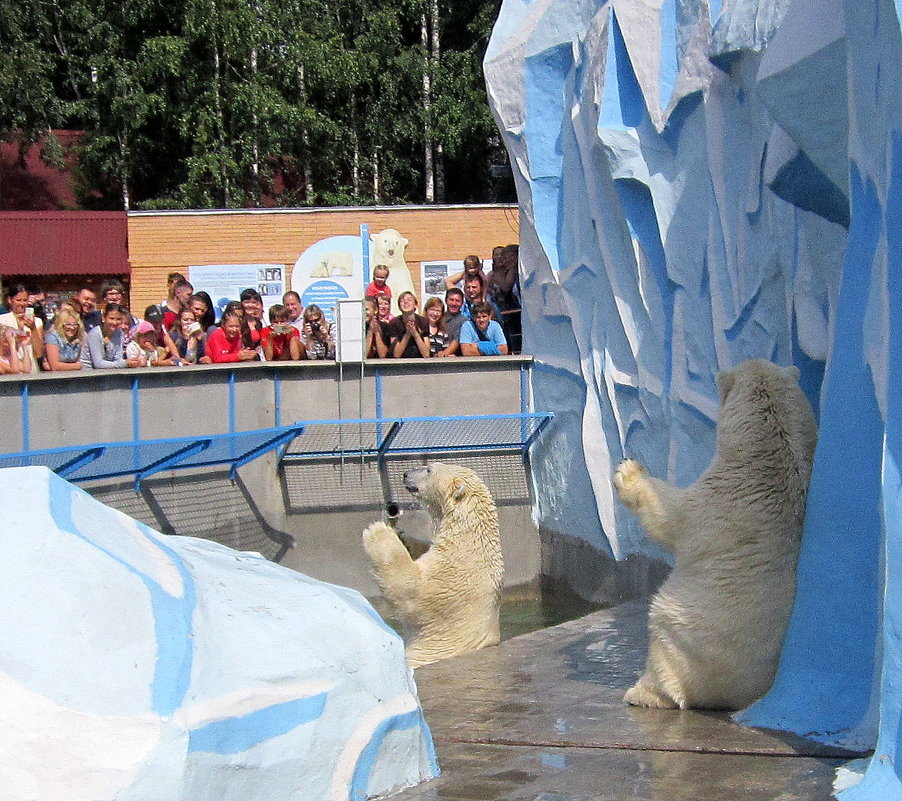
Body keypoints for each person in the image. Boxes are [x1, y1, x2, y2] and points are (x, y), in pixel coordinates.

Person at [80, 303, 141, 369]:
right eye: (111, 318)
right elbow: (98, 364)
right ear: (103, 318)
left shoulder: (119, 333)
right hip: (88, 373)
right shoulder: (95, 334)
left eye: (118, 319)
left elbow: (118, 358)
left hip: (108, 372)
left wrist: (132, 362)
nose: (115, 322)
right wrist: (125, 363)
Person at [0, 283, 43, 373]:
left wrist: (33, 328)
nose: (22, 304)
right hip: (11, 368)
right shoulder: (2, 320)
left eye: (25, 300)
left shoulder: (37, 321)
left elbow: (39, 353)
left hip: (31, 369)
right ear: (10, 300)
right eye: (18, 300)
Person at [387, 291, 429, 358]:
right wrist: (407, 334)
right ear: (399, 306)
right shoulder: (394, 323)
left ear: (415, 305)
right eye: (402, 300)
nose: (405, 302)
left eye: (409, 300)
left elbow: (426, 354)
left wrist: (415, 333)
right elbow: (396, 355)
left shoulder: (423, 322)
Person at [43, 305, 85, 371]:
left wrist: (63, 366)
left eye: (75, 324)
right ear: (61, 324)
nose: (72, 327)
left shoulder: (78, 338)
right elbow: (55, 366)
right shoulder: (52, 337)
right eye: (68, 324)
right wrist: (76, 366)